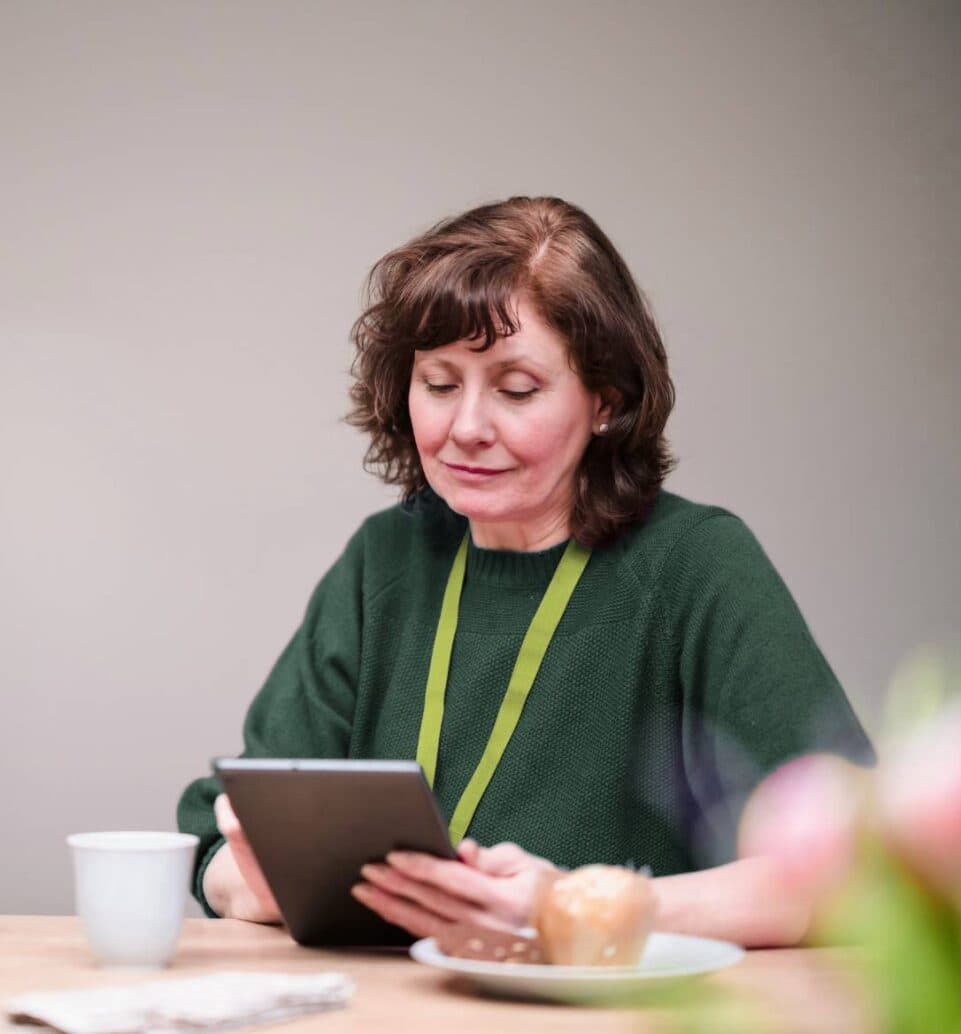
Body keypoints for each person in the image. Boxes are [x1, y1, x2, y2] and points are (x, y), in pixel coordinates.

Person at [177, 196, 874, 947]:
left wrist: (571, 906)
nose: (467, 427)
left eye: (516, 390)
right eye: (440, 385)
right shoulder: (384, 560)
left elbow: (856, 871)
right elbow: (221, 831)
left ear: (605, 398)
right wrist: (257, 880)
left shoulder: (694, 566)